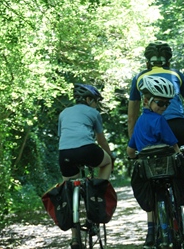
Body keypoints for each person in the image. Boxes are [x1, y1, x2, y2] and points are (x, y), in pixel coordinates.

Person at [127, 42, 184, 246]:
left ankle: (153, 228)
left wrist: (136, 143)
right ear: (168, 60)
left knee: (151, 175)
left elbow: (131, 117)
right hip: (178, 126)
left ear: (147, 61)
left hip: (146, 127)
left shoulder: (139, 78)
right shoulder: (177, 75)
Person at [58, 83, 114, 249]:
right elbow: (101, 141)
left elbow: (63, 136)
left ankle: (75, 239)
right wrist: (110, 155)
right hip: (87, 150)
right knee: (107, 162)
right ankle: (98, 190)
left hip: (65, 153)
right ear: (89, 99)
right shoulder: (94, 113)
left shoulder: (63, 113)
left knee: (68, 189)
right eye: (96, 100)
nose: (96, 104)